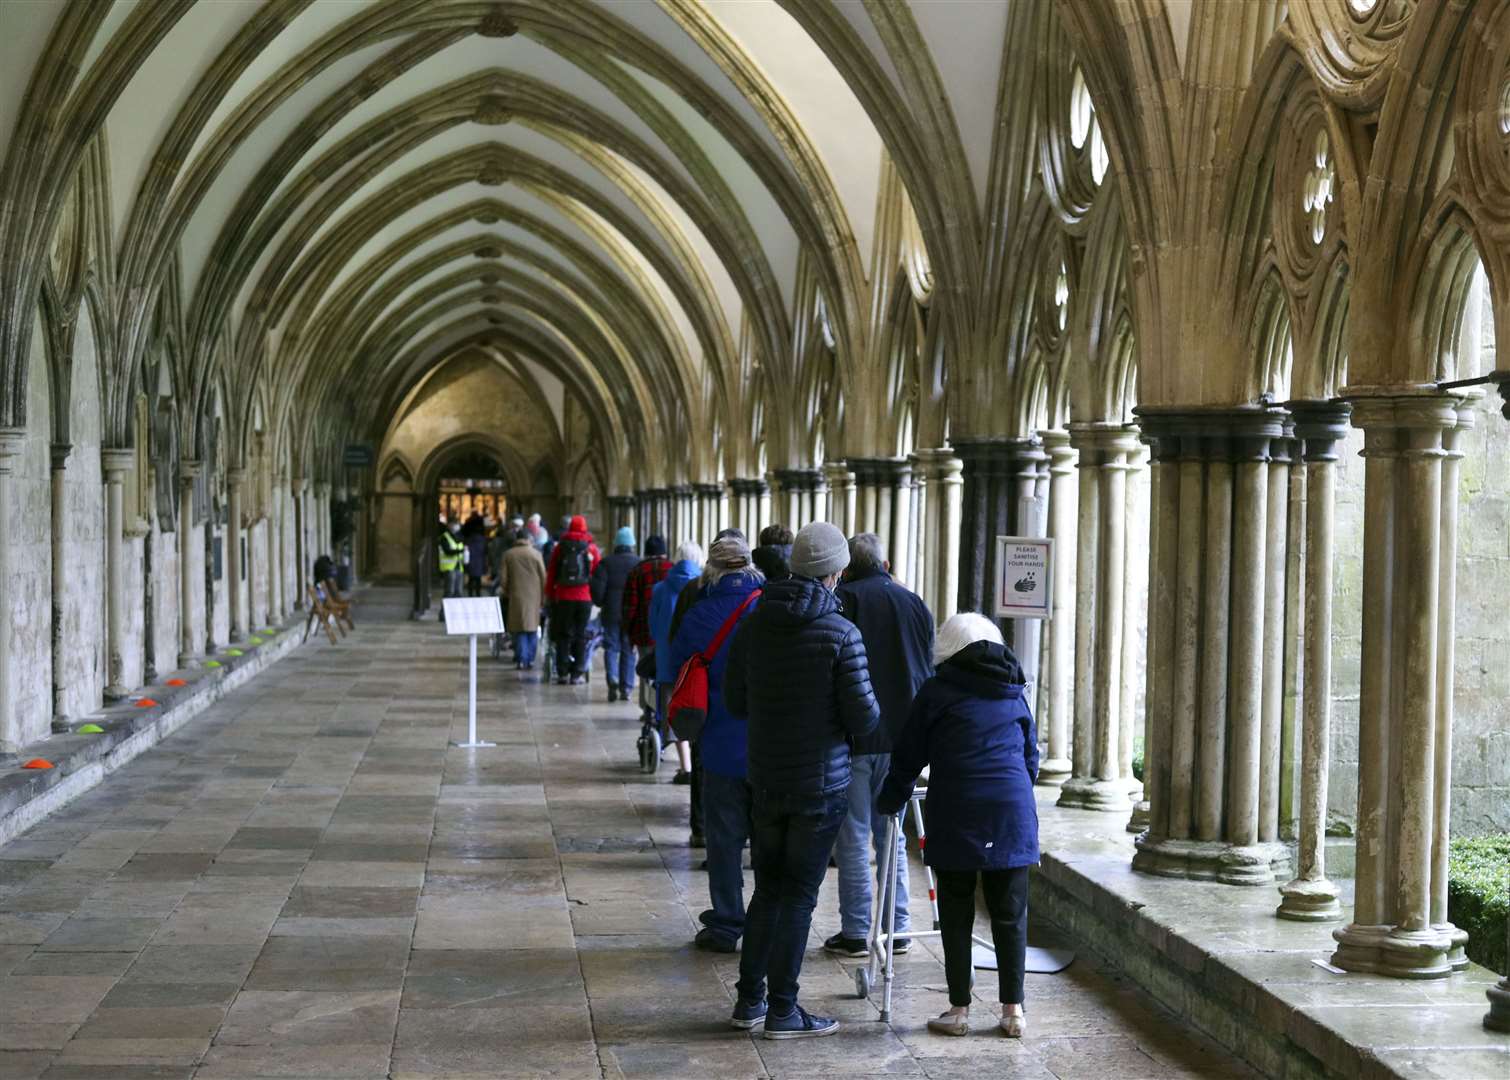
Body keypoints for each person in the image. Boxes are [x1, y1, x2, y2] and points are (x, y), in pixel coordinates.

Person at [723, 521, 879, 1039]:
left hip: (765, 777)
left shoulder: (754, 622)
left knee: (767, 889)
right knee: (798, 896)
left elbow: (736, 702)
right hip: (820, 785)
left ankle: (750, 1001)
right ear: (835, 574)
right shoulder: (842, 634)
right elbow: (864, 720)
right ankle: (784, 1010)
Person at [877, 613, 1039, 1039]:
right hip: (1010, 809)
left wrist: (889, 801)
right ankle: (1013, 1010)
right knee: (1011, 914)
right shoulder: (1014, 690)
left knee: (955, 910)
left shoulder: (936, 691)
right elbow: (1030, 758)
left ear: (946, 646)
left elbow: (908, 755)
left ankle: (959, 1010)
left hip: (958, 809)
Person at [825, 533, 935, 958]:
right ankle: (898, 928)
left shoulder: (841, 600)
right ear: (885, 563)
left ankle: (855, 931)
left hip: (853, 738)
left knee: (851, 837)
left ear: (846, 566)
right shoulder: (913, 602)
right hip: (903, 739)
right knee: (893, 835)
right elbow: (926, 667)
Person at [667, 535, 764, 952]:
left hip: (720, 743)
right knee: (769, 839)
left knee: (724, 840)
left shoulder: (699, 614)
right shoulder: (770, 609)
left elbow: (675, 669)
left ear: (713, 569)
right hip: (768, 744)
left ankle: (727, 922)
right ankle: (768, 920)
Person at [650, 542, 703, 791]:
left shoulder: (661, 588)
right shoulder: (705, 587)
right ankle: (697, 760)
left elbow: (652, 626)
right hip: (696, 661)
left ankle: (685, 767)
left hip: (667, 660)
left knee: (675, 710)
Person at [545, 514, 601, 684]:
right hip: (584, 597)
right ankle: (577, 672)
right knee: (580, 633)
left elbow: (552, 573)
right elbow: (597, 573)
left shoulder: (560, 547)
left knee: (563, 634)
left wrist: (550, 594)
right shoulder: (591, 548)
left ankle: (562, 671)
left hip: (563, 596)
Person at [591, 526, 641, 703]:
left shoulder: (606, 563)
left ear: (616, 544)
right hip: (631, 614)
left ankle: (612, 679)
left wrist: (601, 603)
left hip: (611, 612)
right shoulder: (638, 563)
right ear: (632, 545)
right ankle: (626, 687)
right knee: (628, 649)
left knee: (611, 647)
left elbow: (597, 589)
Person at [496, 528, 547, 669]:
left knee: (518, 628)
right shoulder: (536, 554)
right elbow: (544, 577)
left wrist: (506, 591)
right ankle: (530, 659)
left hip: (516, 595)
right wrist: (543, 596)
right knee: (532, 628)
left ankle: (520, 658)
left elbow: (504, 578)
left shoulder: (508, 554)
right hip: (534, 596)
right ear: (530, 539)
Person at [437, 519, 465, 619]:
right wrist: (461, 550)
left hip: (459, 567)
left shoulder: (459, 536)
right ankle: (443, 614)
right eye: (453, 524)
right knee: (449, 592)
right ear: (449, 525)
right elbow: (448, 551)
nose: (455, 526)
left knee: (459, 592)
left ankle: (456, 614)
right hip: (449, 568)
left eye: (457, 524)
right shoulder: (444, 537)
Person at [462, 511, 488, 597]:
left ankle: (470, 594)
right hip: (479, 561)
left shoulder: (468, 540)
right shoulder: (483, 541)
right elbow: (485, 552)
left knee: (471, 578)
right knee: (478, 579)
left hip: (471, 561)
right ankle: (478, 594)